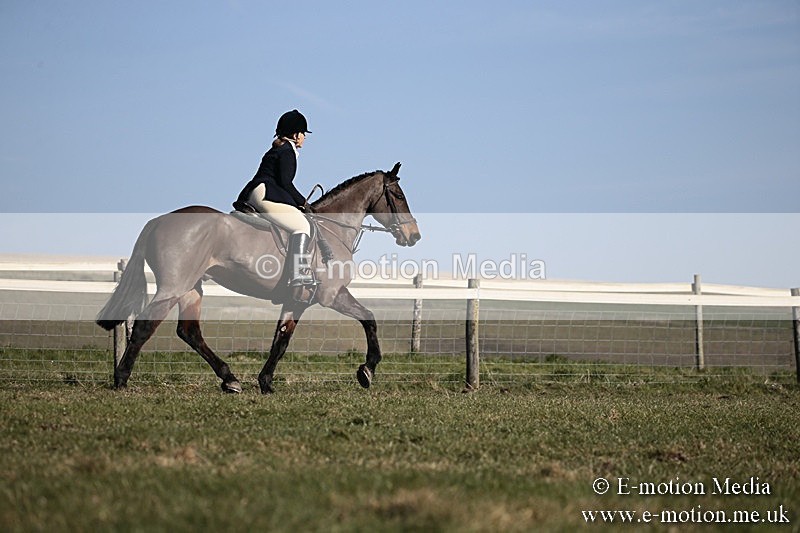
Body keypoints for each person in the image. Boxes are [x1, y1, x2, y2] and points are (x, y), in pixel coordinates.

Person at [236, 109, 317, 301]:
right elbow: (285, 183)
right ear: (296, 134)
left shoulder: (278, 148)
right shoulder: (288, 151)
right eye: (303, 134)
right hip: (266, 194)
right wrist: (304, 203)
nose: (304, 138)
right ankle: (298, 275)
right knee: (302, 225)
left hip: (256, 191)